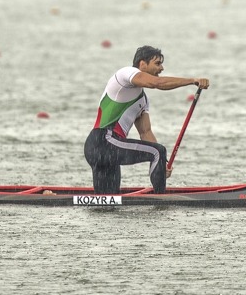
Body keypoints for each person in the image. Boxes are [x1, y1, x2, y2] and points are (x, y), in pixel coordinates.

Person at [83, 45, 209, 194]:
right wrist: (192, 80)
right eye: (157, 63)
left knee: (108, 202)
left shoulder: (142, 100)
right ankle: (161, 201)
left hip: (103, 150)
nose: (161, 68)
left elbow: (145, 133)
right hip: (104, 140)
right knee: (158, 151)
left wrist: (163, 164)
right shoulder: (125, 74)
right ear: (142, 64)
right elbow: (157, 83)